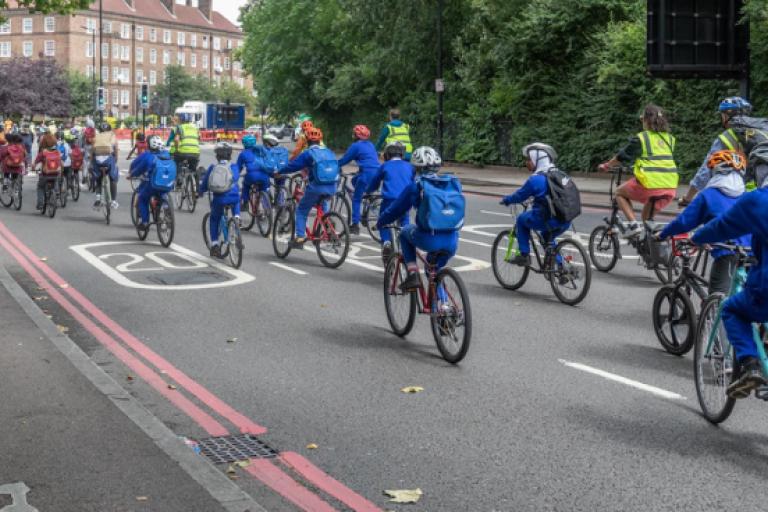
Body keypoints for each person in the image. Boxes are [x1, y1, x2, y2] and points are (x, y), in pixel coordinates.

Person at [691, 166, 768, 399]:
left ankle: (751, 365)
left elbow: (722, 226)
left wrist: (696, 238)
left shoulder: (757, 199)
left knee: (732, 309)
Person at [658, 150, 751, 294]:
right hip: (754, 252)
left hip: (728, 252)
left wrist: (662, 234)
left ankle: (712, 314)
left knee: (718, 297)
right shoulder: (748, 196)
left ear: (715, 172)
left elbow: (683, 222)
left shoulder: (709, 195)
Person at [376, 146, 465, 290]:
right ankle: (441, 306)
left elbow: (395, 210)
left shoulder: (416, 186)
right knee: (433, 271)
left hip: (428, 238)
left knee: (405, 233)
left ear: (416, 168)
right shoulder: (451, 184)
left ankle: (413, 274)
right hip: (452, 241)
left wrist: (381, 222)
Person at [598, 104, 679, 238]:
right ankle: (652, 251)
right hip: (670, 187)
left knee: (619, 193)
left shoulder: (642, 138)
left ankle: (634, 226)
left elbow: (622, 156)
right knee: (646, 219)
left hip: (651, 184)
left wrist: (606, 166)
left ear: (646, 120)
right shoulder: (669, 139)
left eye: (642, 119)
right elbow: (657, 158)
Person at [499, 143, 571, 266]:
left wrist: (507, 200)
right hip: (566, 219)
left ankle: (524, 255)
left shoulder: (535, 180)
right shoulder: (561, 174)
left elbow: (519, 196)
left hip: (549, 220)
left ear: (537, 160)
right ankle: (561, 267)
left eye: (529, 159)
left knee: (521, 220)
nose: (526, 162)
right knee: (546, 238)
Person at [680, 97, 752, 206]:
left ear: (727, 116)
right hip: (760, 191)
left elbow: (706, 170)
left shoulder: (726, 138)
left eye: (723, 115)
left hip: (734, 193)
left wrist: (688, 198)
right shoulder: (759, 134)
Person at [278, 126, 339, 248]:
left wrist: (280, 171)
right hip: (332, 187)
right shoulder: (329, 152)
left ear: (306, 140)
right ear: (320, 140)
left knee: (301, 210)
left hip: (316, 187)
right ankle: (327, 225)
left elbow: (293, 166)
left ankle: (300, 238)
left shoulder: (308, 154)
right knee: (322, 203)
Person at [366, 141, 415, 263]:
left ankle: (386, 242)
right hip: (406, 199)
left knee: (383, 220)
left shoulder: (385, 166)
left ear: (387, 154)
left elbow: (374, 182)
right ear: (402, 155)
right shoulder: (410, 166)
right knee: (404, 219)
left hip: (389, 199)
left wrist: (368, 192)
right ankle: (405, 243)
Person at [198, 142, 241, 258]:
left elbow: (206, 183)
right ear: (230, 156)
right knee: (236, 199)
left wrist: (200, 192)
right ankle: (237, 217)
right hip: (233, 196)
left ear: (217, 156)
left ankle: (215, 245)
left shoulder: (213, 168)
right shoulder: (234, 167)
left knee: (214, 218)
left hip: (219, 198)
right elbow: (236, 178)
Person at [337, 125, 380, 235]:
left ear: (356, 136)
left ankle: (355, 225)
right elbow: (370, 160)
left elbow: (345, 160)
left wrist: (334, 166)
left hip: (366, 174)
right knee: (354, 180)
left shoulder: (356, 146)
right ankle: (368, 203)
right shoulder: (371, 145)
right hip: (378, 173)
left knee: (356, 199)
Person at [129, 135, 175, 231]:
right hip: (168, 183)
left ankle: (145, 222)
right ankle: (166, 208)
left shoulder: (147, 156)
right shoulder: (167, 154)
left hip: (152, 184)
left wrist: (132, 174)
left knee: (142, 198)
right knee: (163, 193)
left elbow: (137, 168)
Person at [237, 134, 271, 207]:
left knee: (245, 185)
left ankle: (245, 203)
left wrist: (236, 175)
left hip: (251, 176)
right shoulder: (262, 150)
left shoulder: (243, 154)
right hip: (264, 175)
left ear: (244, 144)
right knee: (265, 189)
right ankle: (267, 208)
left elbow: (238, 168)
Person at [91, 122, 119, 209]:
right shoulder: (112, 135)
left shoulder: (96, 136)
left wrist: (92, 162)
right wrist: (115, 160)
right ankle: (113, 201)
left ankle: (98, 198)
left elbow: (92, 151)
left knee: (98, 178)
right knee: (113, 179)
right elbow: (116, 150)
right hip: (108, 160)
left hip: (98, 160)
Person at [167, 113, 201, 181]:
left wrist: (177, 149)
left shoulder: (180, 127)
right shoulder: (195, 127)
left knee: (177, 161)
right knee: (193, 168)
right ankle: (194, 181)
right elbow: (199, 137)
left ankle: (179, 177)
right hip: (195, 152)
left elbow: (176, 139)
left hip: (183, 152)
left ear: (181, 120)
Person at [34, 133, 61, 210]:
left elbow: (36, 161)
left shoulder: (43, 152)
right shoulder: (57, 152)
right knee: (55, 181)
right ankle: (56, 192)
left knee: (40, 187)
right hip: (55, 173)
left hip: (45, 174)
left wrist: (33, 166)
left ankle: (40, 203)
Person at [262, 133, 290, 206]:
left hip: (272, 173)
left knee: (265, 184)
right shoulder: (284, 150)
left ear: (267, 142)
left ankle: (267, 206)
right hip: (283, 172)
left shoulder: (266, 150)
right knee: (280, 186)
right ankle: (280, 203)